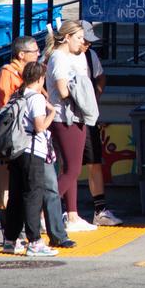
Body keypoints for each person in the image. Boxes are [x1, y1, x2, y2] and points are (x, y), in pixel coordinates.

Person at [0, 37, 74, 252]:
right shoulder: (7, 76)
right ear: (21, 55)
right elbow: (8, 114)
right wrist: (49, 112)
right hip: (22, 146)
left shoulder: (28, 84)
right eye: (34, 51)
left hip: (27, 147)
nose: (38, 54)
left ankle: (54, 234)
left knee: (43, 189)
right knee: (27, 194)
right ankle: (28, 239)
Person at [1, 60, 60, 258]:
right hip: (33, 152)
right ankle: (34, 242)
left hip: (16, 152)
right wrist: (52, 112)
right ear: (41, 79)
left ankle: (10, 240)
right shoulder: (36, 98)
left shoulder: (17, 95)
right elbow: (40, 126)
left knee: (16, 196)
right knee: (33, 196)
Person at [43, 20, 97, 232]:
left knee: (69, 168)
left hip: (70, 116)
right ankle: (41, 212)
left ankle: (72, 216)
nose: (82, 42)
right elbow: (63, 90)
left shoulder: (65, 57)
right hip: (66, 118)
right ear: (67, 37)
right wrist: (82, 89)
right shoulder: (59, 57)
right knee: (73, 170)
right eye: (79, 38)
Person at [80, 21, 122, 227]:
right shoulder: (57, 57)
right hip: (66, 118)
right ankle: (64, 211)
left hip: (88, 117)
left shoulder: (90, 55)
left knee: (94, 161)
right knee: (68, 167)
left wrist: (95, 97)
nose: (87, 44)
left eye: (90, 41)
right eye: (84, 40)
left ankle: (100, 209)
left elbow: (101, 77)